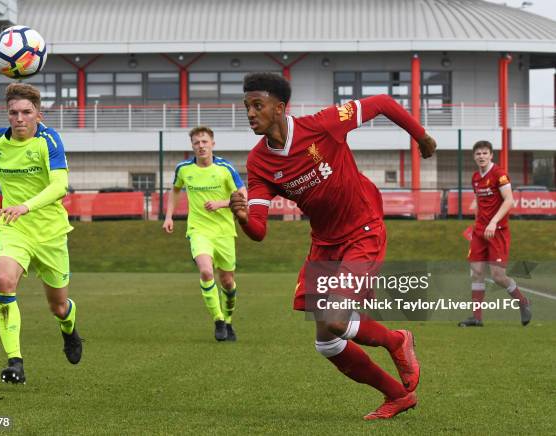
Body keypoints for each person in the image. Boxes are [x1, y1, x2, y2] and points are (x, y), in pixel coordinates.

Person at [230, 73, 437, 420]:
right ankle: (397, 396)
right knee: (327, 341)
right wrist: (241, 217)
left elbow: (383, 103)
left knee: (337, 319)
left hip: (362, 229)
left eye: (257, 105)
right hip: (324, 244)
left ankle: (396, 340)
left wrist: (422, 136)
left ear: (279, 108)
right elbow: (259, 231)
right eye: (246, 107)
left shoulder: (322, 125)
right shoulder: (258, 163)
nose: (250, 113)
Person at [0, 82, 81, 384]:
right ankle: (15, 361)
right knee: (3, 280)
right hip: (14, 230)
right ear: (7, 114)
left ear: (37, 114)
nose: (19, 118)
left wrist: (27, 206)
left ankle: (69, 329)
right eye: (13, 112)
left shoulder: (49, 140)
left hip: (51, 233)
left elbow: (59, 186)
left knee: (58, 306)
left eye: (26, 112)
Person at [163, 126, 246, 342]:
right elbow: (175, 190)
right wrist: (169, 216)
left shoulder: (225, 168)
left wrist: (222, 203)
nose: (201, 146)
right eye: (197, 143)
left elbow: (243, 195)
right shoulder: (183, 169)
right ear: (192, 146)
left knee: (227, 282)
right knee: (207, 272)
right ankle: (218, 320)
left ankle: (228, 321)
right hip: (198, 230)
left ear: (213, 144)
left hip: (225, 232)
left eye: (204, 142)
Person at [459, 140, 531, 327]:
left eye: (485, 153)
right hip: (480, 232)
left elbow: (509, 201)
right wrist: (477, 220)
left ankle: (522, 301)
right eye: (478, 154)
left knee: (498, 276)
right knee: (476, 272)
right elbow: (478, 200)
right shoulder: (475, 177)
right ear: (474, 157)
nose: (481, 156)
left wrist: (493, 221)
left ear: (491, 155)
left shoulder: (499, 174)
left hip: (497, 231)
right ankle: (477, 318)